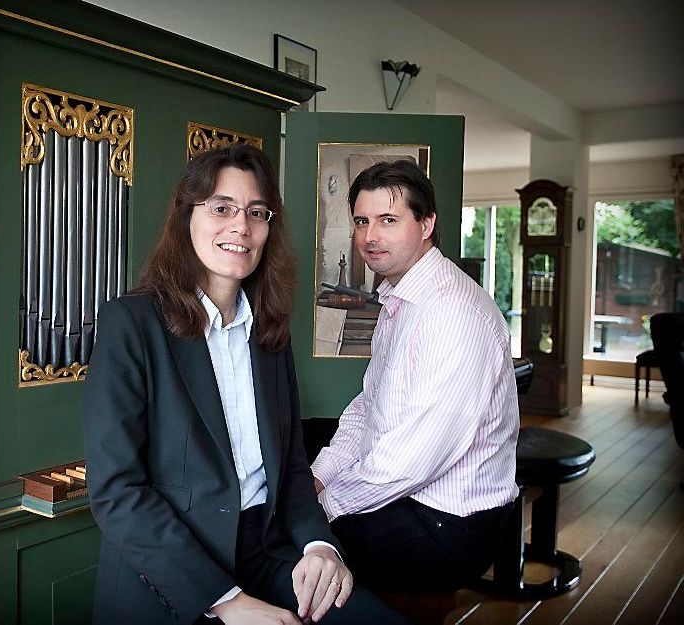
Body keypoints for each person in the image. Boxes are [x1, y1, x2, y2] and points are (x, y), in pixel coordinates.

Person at [84, 145, 408, 625]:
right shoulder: (131, 324)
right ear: (186, 218)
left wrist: (319, 546)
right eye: (221, 208)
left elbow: (292, 467)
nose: (241, 226)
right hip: (174, 570)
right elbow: (117, 493)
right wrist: (226, 600)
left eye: (257, 213)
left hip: (268, 550)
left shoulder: (269, 331)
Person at [312, 159, 520, 593]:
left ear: (426, 224)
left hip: (450, 524)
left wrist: (322, 507)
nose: (370, 237)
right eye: (362, 221)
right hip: (411, 495)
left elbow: (412, 460)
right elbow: (368, 408)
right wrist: (319, 475)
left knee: (294, 544)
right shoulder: (401, 297)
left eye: (389, 220)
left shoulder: (452, 314)